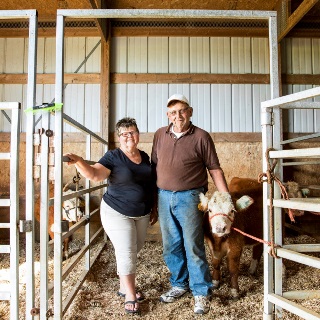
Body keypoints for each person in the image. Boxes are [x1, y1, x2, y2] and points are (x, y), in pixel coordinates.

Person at [65, 117, 157, 315]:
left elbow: (149, 185)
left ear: (138, 134)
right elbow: (95, 175)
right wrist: (80, 162)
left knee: (136, 247)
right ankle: (130, 295)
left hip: (141, 213)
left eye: (132, 132)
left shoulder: (145, 156)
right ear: (118, 137)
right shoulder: (113, 157)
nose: (129, 136)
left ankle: (124, 286)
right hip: (116, 211)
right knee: (126, 251)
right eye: (124, 134)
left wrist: (153, 207)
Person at [151, 94, 229, 314]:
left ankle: (201, 291)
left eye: (182, 111)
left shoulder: (201, 137)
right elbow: (154, 166)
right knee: (171, 245)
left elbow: (214, 169)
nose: (178, 116)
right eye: (173, 112)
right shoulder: (160, 135)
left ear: (190, 112)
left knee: (193, 245)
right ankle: (179, 284)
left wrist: (226, 199)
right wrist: (153, 200)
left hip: (190, 197)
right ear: (168, 115)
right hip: (164, 196)